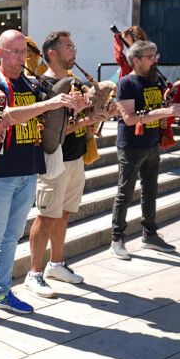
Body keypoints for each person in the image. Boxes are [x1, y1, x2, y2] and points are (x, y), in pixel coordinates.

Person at [0, 29, 81, 325]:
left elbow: (52, 103)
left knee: (10, 237)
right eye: (14, 51)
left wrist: (73, 105)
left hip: (28, 170)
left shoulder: (31, 84)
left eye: (23, 52)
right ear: (0, 54)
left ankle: (2, 293)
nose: (21, 57)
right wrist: (48, 105)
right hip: (0, 172)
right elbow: (3, 116)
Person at [24, 30, 113, 298]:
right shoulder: (41, 87)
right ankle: (34, 274)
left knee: (63, 213)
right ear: (52, 53)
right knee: (46, 215)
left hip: (75, 156)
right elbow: (47, 129)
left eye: (73, 45)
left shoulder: (75, 82)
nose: (74, 50)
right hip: (53, 159)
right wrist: (84, 120)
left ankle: (56, 264)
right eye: (68, 46)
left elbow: (82, 121)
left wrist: (99, 112)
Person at [109, 40, 180, 260]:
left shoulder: (156, 81)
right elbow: (129, 118)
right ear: (136, 60)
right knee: (124, 193)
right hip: (131, 146)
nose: (156, 60)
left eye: (156, 55)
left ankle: (150, 235)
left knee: (150, 191)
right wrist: (164, 112)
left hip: (152, 143)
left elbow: (163, 105)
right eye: (150, 57)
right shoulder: (126, 83)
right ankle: (117, 239)